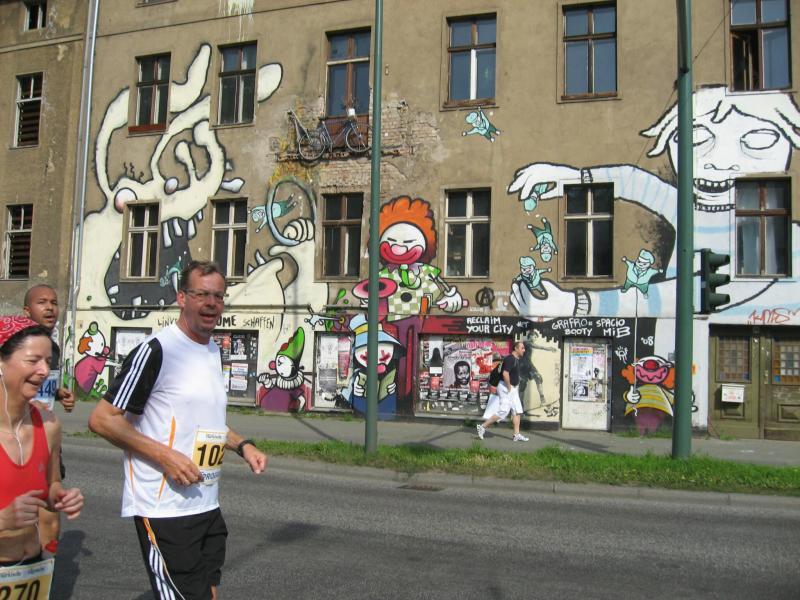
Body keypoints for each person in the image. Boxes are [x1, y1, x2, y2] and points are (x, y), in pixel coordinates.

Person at [89, 260, 268, 600]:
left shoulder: (211, 350)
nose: (211, 303)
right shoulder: (156, 350)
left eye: (218, 296)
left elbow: (203, 421)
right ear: (181, 298)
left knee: (207, 592)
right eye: (202, 295)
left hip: (205, 502)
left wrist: (243, 445)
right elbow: (102, 419)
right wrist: (166, 457)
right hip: (164, 508)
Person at [0, 316, 83, 579]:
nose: (44, 370)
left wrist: (60, 496)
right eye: (33, 360)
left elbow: (51, 484)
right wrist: (3, 520)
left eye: (48, 361)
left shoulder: (49, 424)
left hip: (30, 570)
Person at [22, 284, 76, 554]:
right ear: (26, 310)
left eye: (54, 302)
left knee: (50, 519)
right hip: (18, 440)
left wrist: (58, 392)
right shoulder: (13, 346)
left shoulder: (52, 347)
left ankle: (44, 574)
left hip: (47, 439)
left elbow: (40, 384)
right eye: (42, 302)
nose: (50, 308)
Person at [476, 342, 529, 442]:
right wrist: (509, 387)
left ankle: (516, 434)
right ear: (516, 348)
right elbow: (505, 374)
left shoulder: (515, 359)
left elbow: (511, 373)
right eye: (522, 348)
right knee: (504, 411)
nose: (524, 350)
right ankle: (482, 427)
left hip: (513, 388)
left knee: (517, 411)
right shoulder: (510, 359)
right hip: (506, 387)